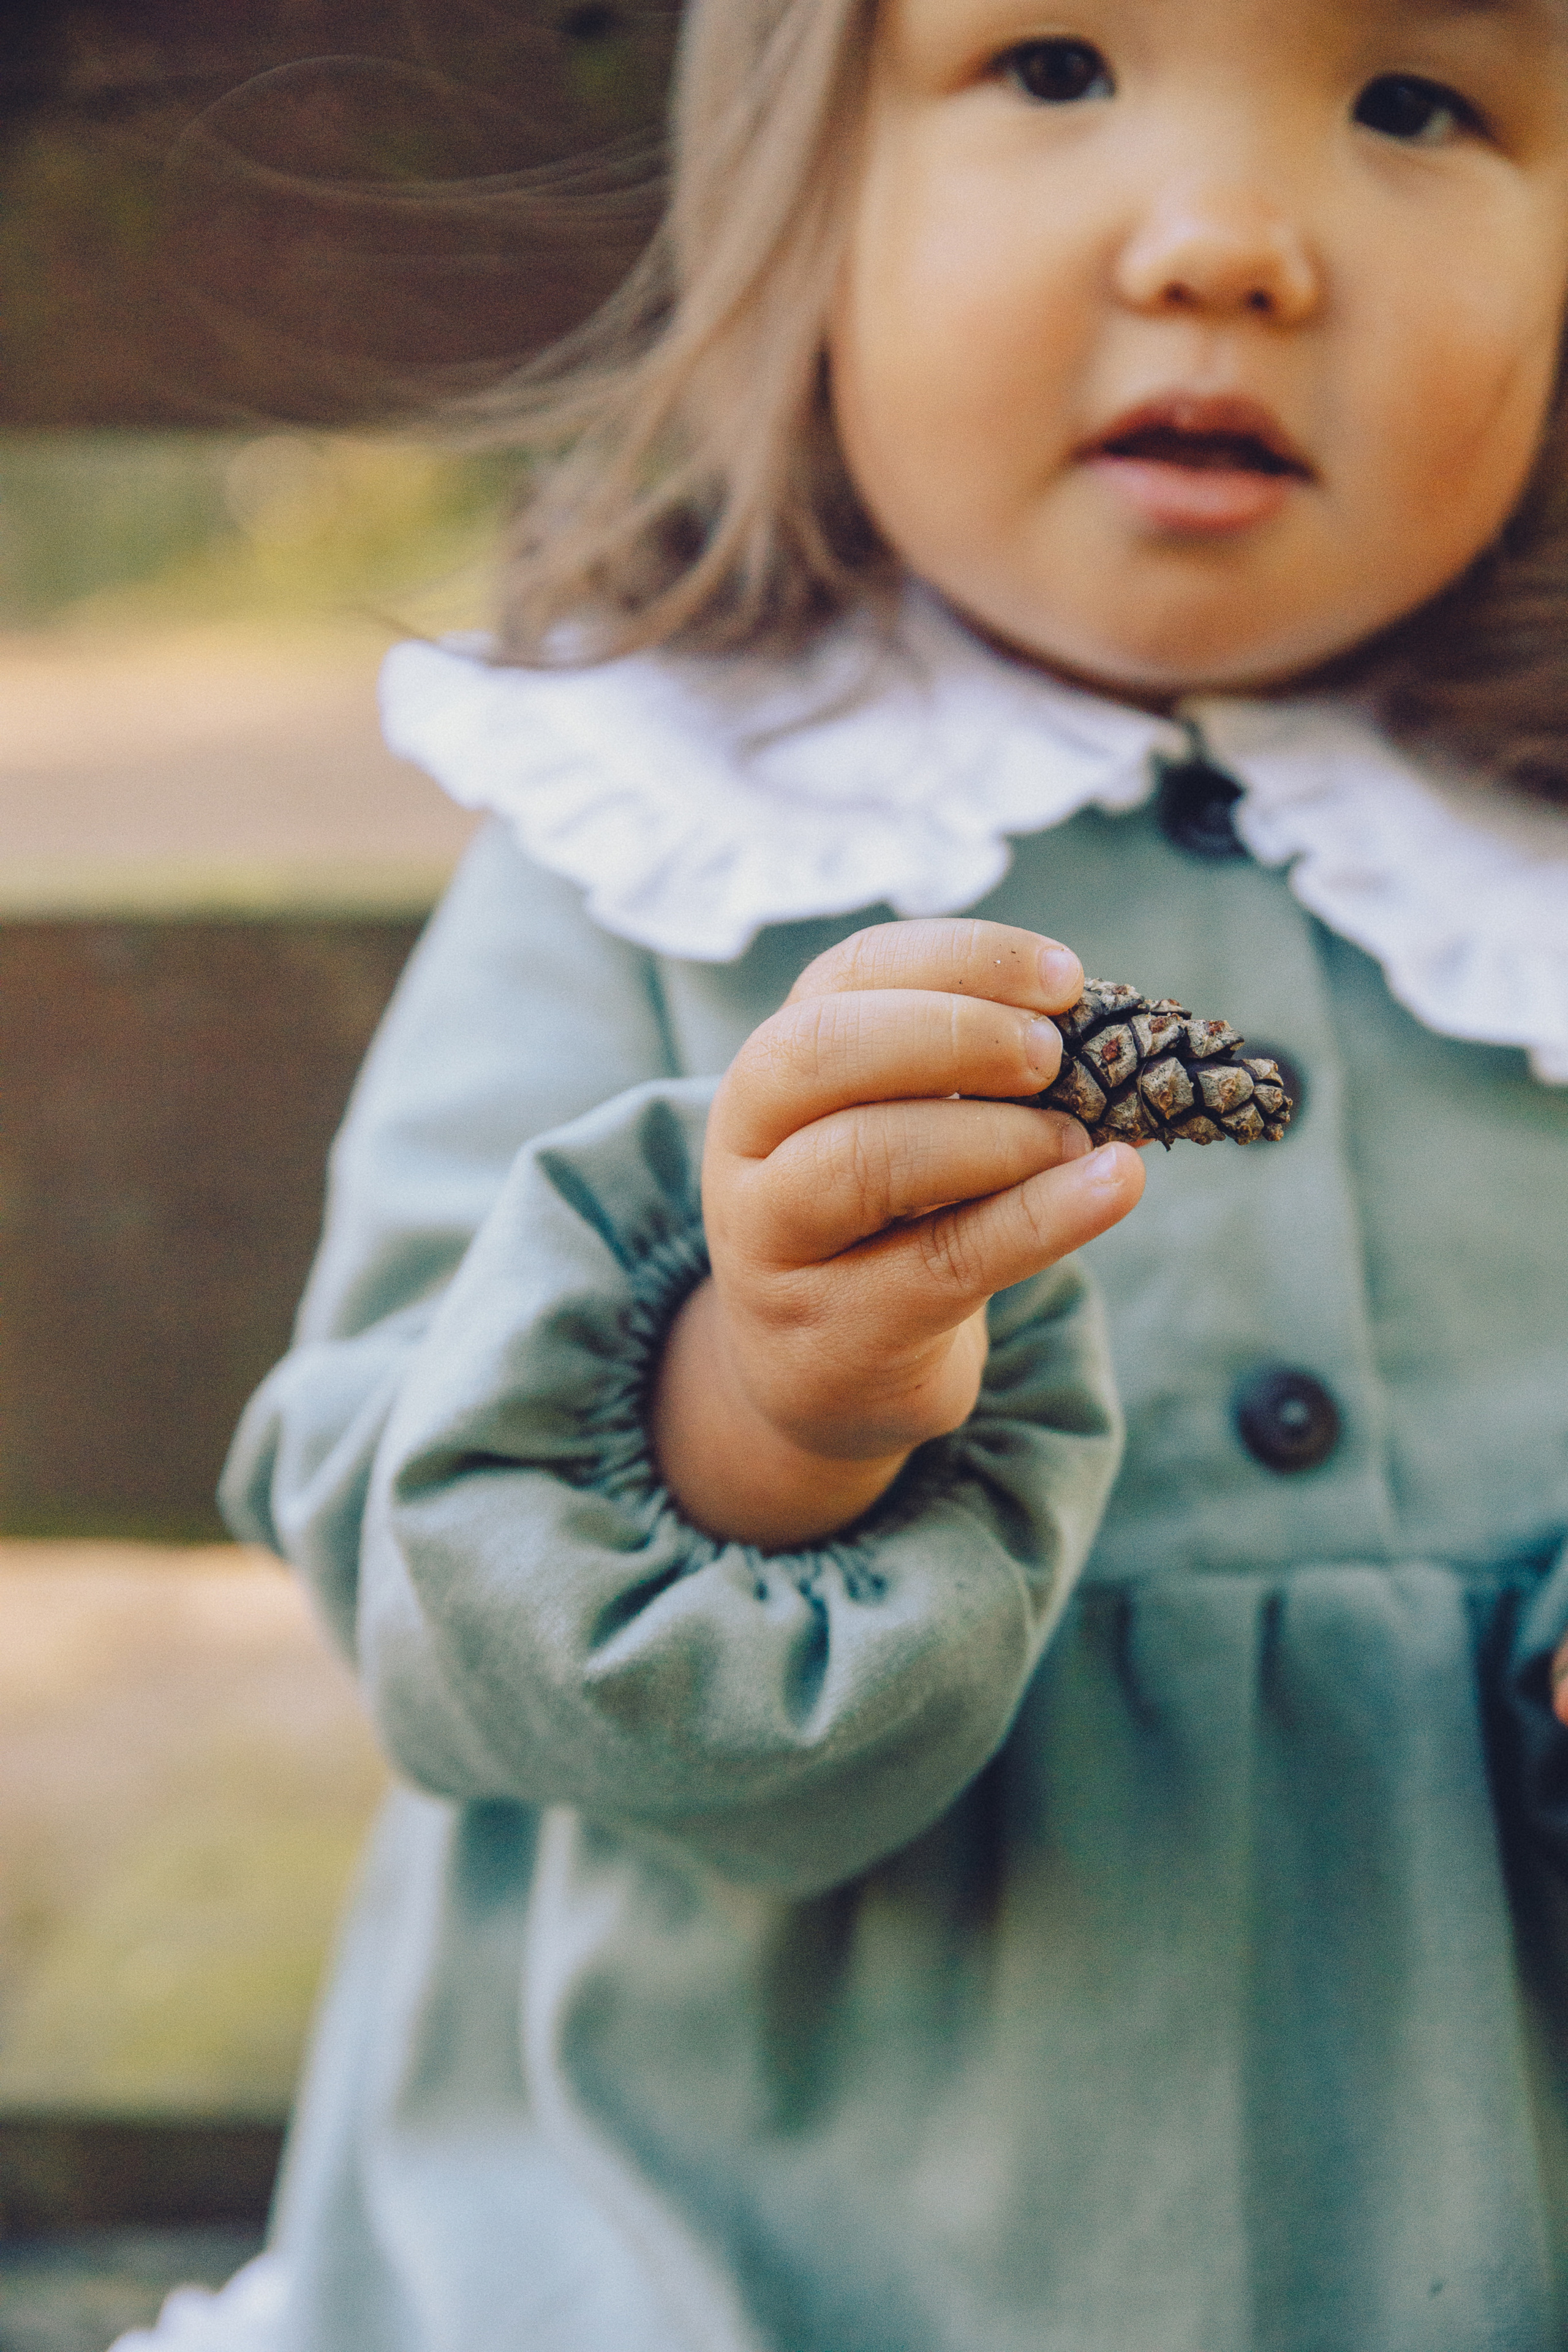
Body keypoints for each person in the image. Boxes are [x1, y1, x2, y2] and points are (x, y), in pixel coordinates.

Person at [120, 0, 1568, 2343]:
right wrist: (755, 1409)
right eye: (1059, 66)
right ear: (806, 196)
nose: (1231, 244)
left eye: (1418, 100)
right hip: (729, 2257)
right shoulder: (668, 825)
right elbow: (398, 1525)